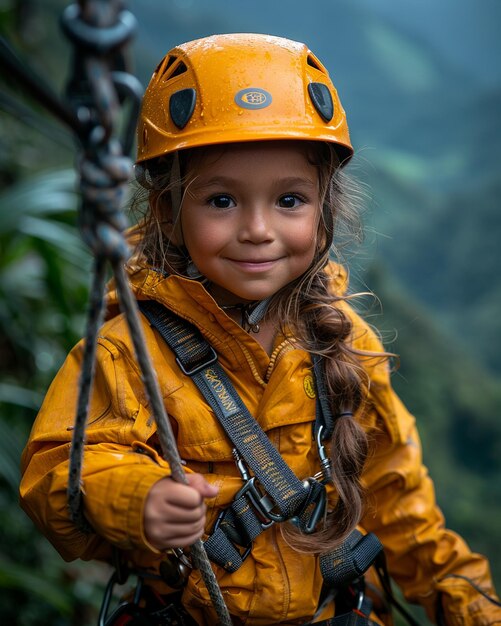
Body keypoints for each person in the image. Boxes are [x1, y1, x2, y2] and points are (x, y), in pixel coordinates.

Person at [19, 33, 501, 626]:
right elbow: (58, 470)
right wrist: (137, 498)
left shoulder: (344, 344)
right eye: (221, 201)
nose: (257, 229)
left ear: (325, 207)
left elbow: (398, 499)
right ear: (169, 211)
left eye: (289, 200)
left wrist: (471, 606)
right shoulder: (130, 353)